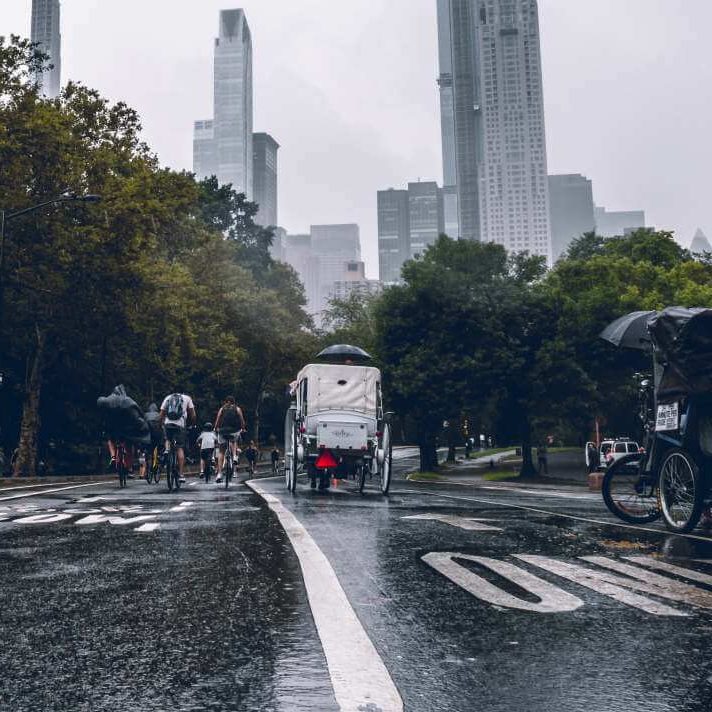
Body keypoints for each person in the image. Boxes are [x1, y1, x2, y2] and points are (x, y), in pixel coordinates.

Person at [159, 391, 197, 483]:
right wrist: (192, 424)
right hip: (180, 425)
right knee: (180, 447)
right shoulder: (187, 398)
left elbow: (161, 414)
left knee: (167, 439)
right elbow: (193, 414)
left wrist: (160, 425)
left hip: (168, 424)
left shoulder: (168, 397)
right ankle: (180, 474)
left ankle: (167, 450)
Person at [214, 395, 246, 481]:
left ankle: (219, 474)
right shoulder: (237, 409)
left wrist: (216, 428)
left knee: (221, 451)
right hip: (234, 430)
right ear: (234, 401)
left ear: (226, 401)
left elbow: (217, 419)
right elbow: (242, 420)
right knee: (234, 440)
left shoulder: (222, 408)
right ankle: (235, 456)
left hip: (223, 431)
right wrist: (243, 428)